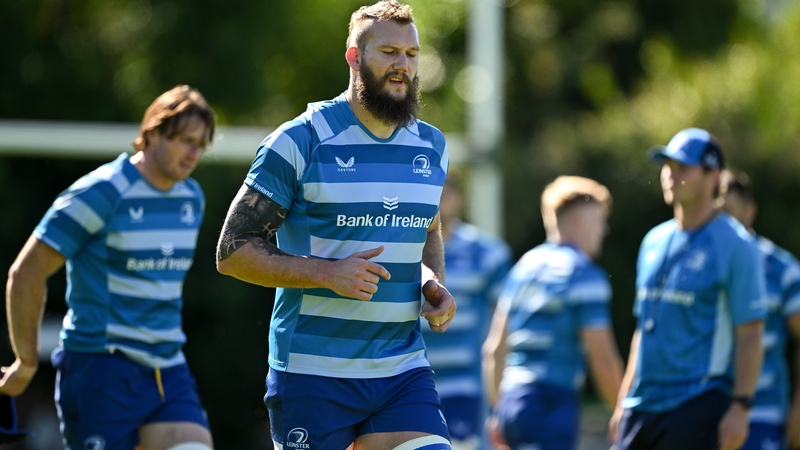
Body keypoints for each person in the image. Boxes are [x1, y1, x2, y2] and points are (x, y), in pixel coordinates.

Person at [215, 2, 455, 450]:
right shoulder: (299, 140)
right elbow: (231, 251)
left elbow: (428, 229)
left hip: (401, 370)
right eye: (388, 52)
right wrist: (327, 273)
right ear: (353, 56)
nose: (403, 66)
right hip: (312, 373)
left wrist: (431, 284)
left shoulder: (432, 145)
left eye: (412, 54)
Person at [1, 85, 216, 450]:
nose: (193, 153)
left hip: (167, 370)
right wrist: (25, 360)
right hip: (99, 370)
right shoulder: (101, 192)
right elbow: (26, 272)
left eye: (201, 144)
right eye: (184, 140)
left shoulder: (191, 198)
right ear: (151, 135)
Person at [611, 128, 766, 450]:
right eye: (667, 165)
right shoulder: (653, 241)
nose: (670, 175)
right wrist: (623, 399)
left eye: (683, 167)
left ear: (713, 176)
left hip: (697, 402)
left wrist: (741, 406)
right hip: (641, 405)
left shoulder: (736, 246)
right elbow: (644, 329)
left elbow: (750, 331)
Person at [482, 175, 624, 450]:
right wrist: (625, 411)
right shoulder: (583, 274)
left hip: (512, 402)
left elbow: (494, 349)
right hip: (551, 404)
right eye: (599, 220)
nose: (604, 230)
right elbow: (603, 360)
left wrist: (497, 413)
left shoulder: (524, 268)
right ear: (581, 220)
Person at [420, 169, 512, 450]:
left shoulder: (486, 252)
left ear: (459, 198)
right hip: (411, 384)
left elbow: (507, 321)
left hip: (466, 387)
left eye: (445, 189)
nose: (438, 197)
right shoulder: (401, 250)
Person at [719, 169, 800, 450]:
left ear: (749, 212)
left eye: (729, 212)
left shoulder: (781, 268)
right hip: (705, 411)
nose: (721, 223)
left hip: (762, 413)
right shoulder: (700, 263)